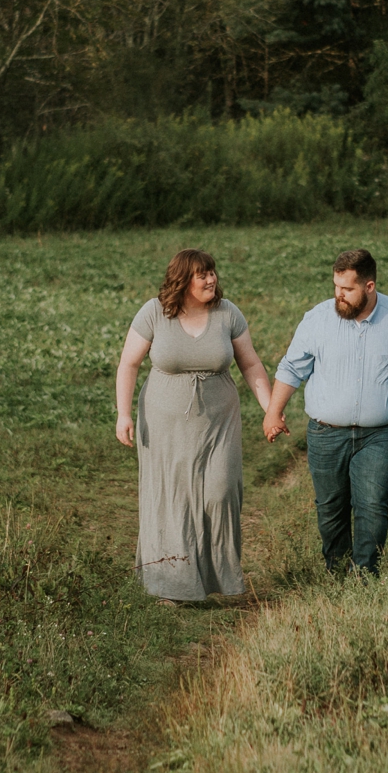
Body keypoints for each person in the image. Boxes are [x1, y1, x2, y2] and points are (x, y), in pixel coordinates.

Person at [116, 248, 277, 604]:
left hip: (219, 419)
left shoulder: (227, 313)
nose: (211, 279)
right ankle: (171, 585)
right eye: (202, 274)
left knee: (220, 491)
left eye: (212, 272)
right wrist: (123, 414)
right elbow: (128, 364)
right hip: (163, 421)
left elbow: (250, 364)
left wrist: (270, 409)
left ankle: (216, 577)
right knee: (174, 500)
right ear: (182, 280)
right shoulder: (155, 313)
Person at [263, 248, 388, 580]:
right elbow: (292, 368)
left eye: (347, 289)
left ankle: (364, 574)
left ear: (369, 286)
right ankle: (337, 569)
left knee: (372, 504)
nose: (338, 296)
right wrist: (274, 412)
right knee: (331, 508)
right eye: (336, 287)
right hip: (326, 433)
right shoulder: (317, 319)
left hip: (382, 433)